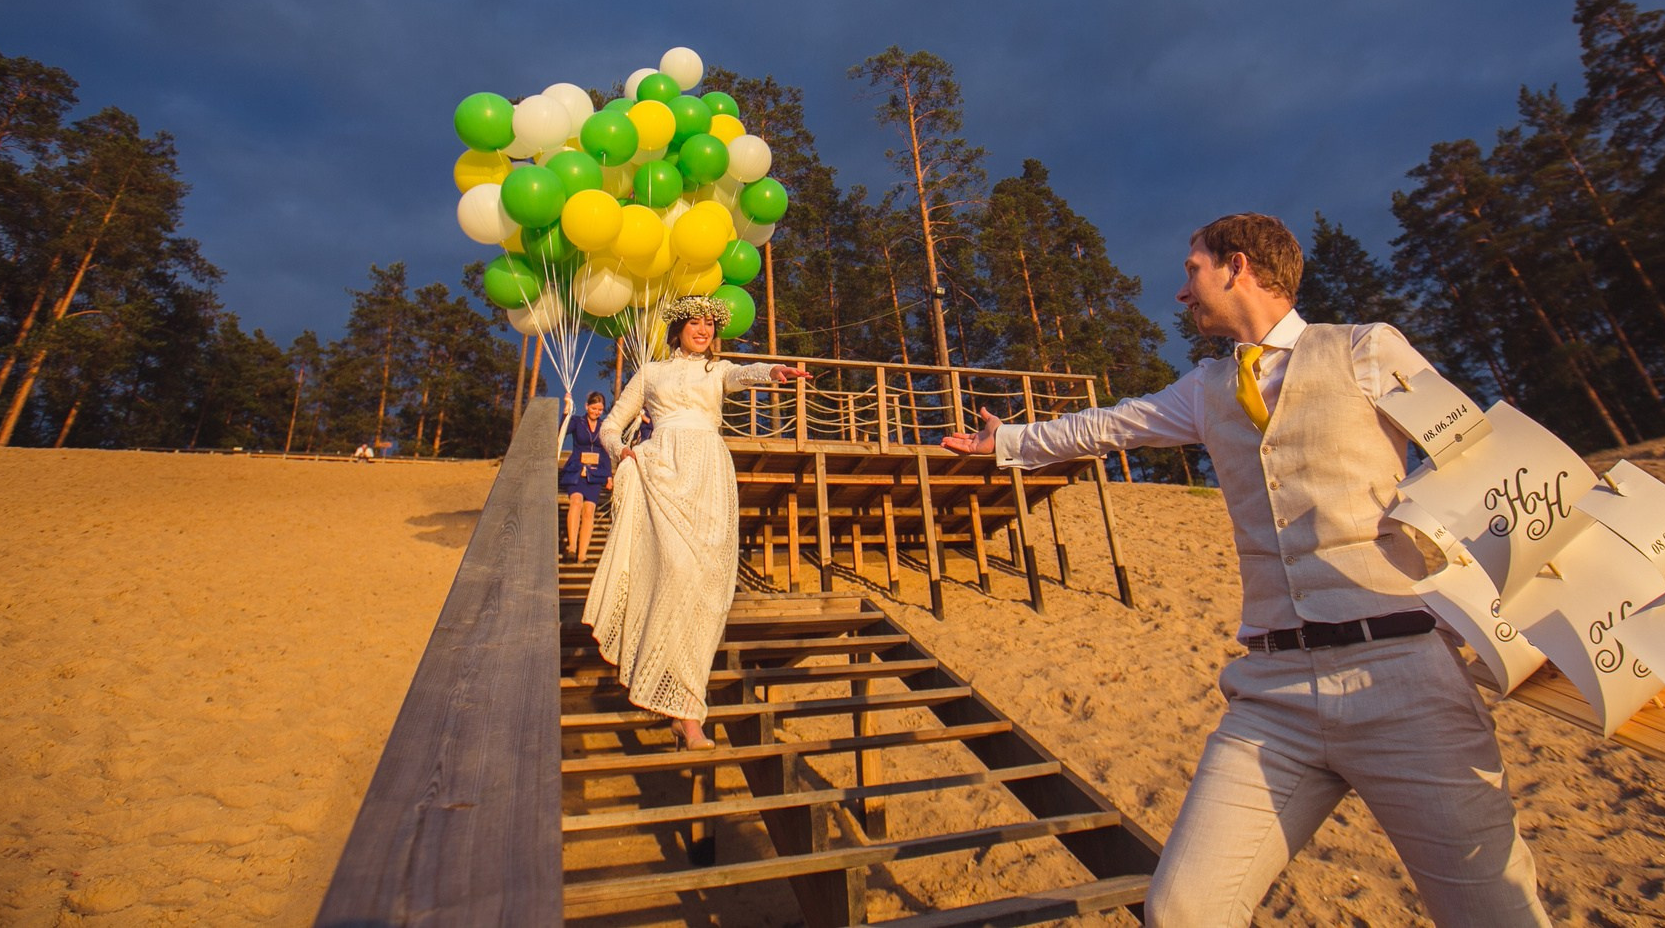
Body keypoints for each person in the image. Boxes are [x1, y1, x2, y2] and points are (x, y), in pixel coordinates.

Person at [942, 213, 1549, 928]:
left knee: (1496, 916)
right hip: (1272, 692)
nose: (1181, 291)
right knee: (1181, 910)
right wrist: (1009, 439)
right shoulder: (1205, 387)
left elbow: (1479, 462)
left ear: (1237, 266)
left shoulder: (1366, 349)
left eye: (1192, 269)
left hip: (1404, 674)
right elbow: (1110, 425)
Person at [579, 295, 810, 750]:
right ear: (680, 327)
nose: (703, 331)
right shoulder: (650, 373)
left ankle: (683, 705)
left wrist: (772, 373)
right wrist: (619, 450)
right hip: (662, 469)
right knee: (674, 576)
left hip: (708, 474)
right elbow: (611, 425)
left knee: (707, 589)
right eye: (696, 323)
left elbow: (742, 375)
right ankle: (675, 700)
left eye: (710, 325)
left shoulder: (717, 370)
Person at [560, 390, 612, 562]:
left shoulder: (604, 427)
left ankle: (582, 555)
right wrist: (567, 409)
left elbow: (605, 452)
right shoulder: (577, 422)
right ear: (586, 406)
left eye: (600, 410)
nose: (596, 412)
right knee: (576, 502)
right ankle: (572, 548)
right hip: (576, 469)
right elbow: (562, 430)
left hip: (595, 473)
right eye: (594, 408)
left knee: (589, 511)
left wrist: (609, 476)